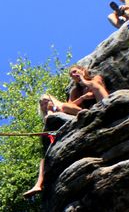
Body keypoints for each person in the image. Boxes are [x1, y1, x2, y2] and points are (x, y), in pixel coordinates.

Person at [22, 66, 107, 197]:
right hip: (78, 117)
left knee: (69, 104)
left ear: (82, 70)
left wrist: (83, 80)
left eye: (75, 71)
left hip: (100, 105)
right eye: (71, 73)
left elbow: (93, 90)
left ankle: (108, 106)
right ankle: (38, 184)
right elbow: (70, 106)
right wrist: (50, 110)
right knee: (45, 156)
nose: (73, 74)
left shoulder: (94, 79)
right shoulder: (74, 91)